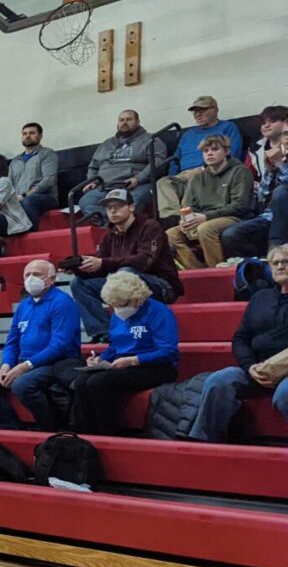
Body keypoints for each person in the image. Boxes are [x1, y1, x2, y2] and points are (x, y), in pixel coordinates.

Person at [189, 245, 288, 443]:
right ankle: (207, 443)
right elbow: (240, 338)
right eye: (275, 263)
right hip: (257, 368)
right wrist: (250, 366)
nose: (279, 266)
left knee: (285, 393)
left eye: (285, 262)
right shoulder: (260, 298)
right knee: (219, 381)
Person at [0, 260, 80, 430]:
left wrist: (25, 366)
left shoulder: (63, 302)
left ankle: (51, 429)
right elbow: (12, 341)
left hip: (56, 363)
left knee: (22, 384)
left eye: (37, 274)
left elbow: (59, 346)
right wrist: (7, 364)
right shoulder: (24, 305)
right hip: (25, 362)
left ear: (51, 279)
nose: (31, 279)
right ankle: (13, 429)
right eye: (27, 275)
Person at [69, 272, 180, 436]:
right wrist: (101, 359)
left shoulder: (158, 311)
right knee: (81, 381)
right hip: (124, 363)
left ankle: (109, 433)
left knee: (98, 382)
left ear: (135, 299)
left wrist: (134, 360)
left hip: (156, 366)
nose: (118, 310)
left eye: (121, 305)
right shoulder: (118, 314)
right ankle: (84, 433)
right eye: (114, 305)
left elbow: (168, 351)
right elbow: (115, 345)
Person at [67, 188, 183, 341]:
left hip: (161, 286)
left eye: (118, 206)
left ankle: (134, 329)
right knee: (79, 283)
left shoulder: (150, 227)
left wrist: (103, 263)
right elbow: (102, 268)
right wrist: (79, 268)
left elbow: (145, 261)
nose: (113, 211)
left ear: (132, 207)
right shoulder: (109, 235)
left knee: (125, 273)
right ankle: (102, 332)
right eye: (109, 208)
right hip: (124, 284)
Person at [165, 135, 254, 269]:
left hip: (234, 217)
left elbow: (240, 206)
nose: (209, 153)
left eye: (215, 149)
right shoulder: (197, 178)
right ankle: (197, 271)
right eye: (205, 151)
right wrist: (186, 221)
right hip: (203, 218)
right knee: (171, 234)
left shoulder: (240, 171)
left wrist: (206, 217)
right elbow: (188, 206)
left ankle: (217, 271)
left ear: (226, 151)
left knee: (205, 229)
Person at [159, 96, 246, 219]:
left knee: (195, 179)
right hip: (183, 175)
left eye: (202, 110)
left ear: (215, 110)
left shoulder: (228, 127)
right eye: (195, 111)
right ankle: (174, 217)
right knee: (163, 182)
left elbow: (233, 153)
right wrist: (173, 176)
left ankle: (188, 217)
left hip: (209, 171)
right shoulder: (188, 134)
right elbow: (175, 159)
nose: (198, 114)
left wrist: (204, 169)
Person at [220, 105, 288, 259]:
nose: (266, 125)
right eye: (285, 135)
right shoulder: (269, 153)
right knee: (231, 235)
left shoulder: (278, 158)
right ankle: (259, 265)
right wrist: (270, 169)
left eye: (272, 121)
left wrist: (280, 165)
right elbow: (263, 197)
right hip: (270, 213)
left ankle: (276, 254)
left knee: (281, 193)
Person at [79, 109, 164, 221]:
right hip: (105, 187)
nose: (124, 123)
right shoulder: (106, 144)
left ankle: (125, 226)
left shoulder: (150, 140)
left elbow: (157, 161)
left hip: (134, 186)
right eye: (121, 120)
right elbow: (93, 166)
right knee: (86, 202)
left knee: (136, 200)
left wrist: (138, 179)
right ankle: (114, 226)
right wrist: (93, 181)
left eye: (129, 119)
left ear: (138, 122)